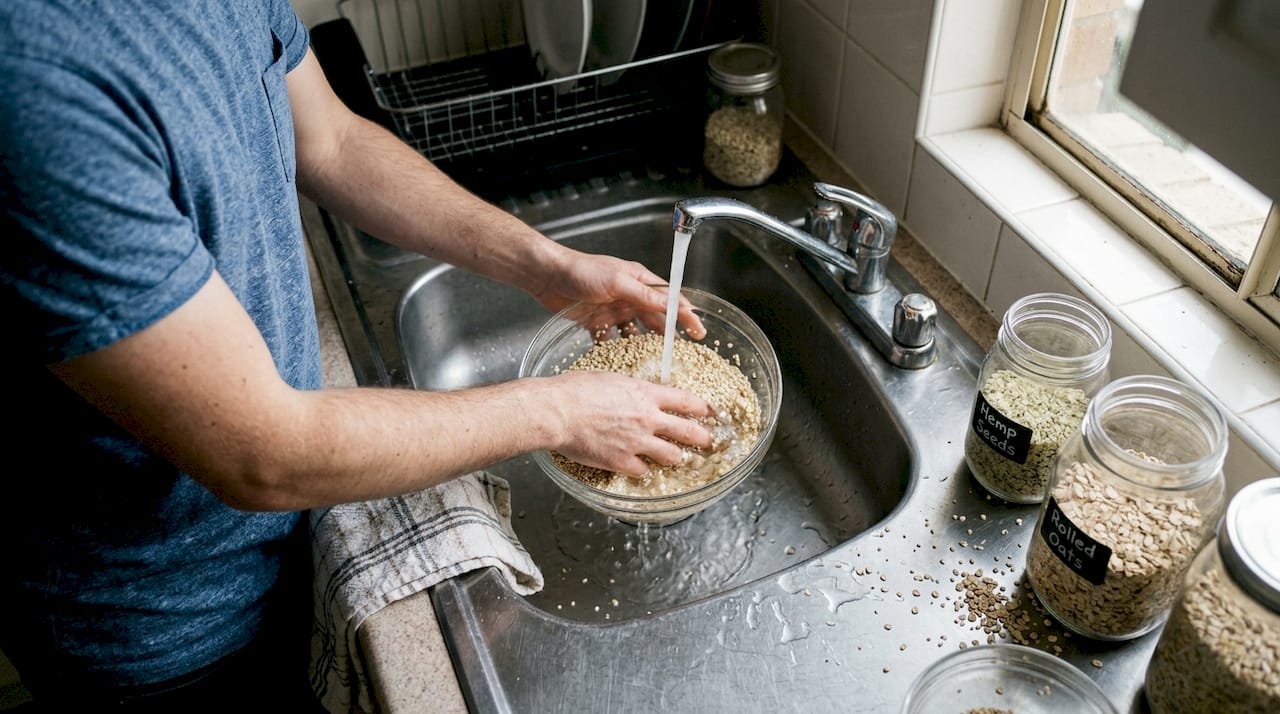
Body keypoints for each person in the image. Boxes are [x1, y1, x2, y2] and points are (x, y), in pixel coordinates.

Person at [0, 0, 715, 710]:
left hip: (292, 532)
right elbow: (265, 454)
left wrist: (544, 265)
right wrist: (561, 410)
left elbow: (331, 140)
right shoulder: (34, 85)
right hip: (163, 628)